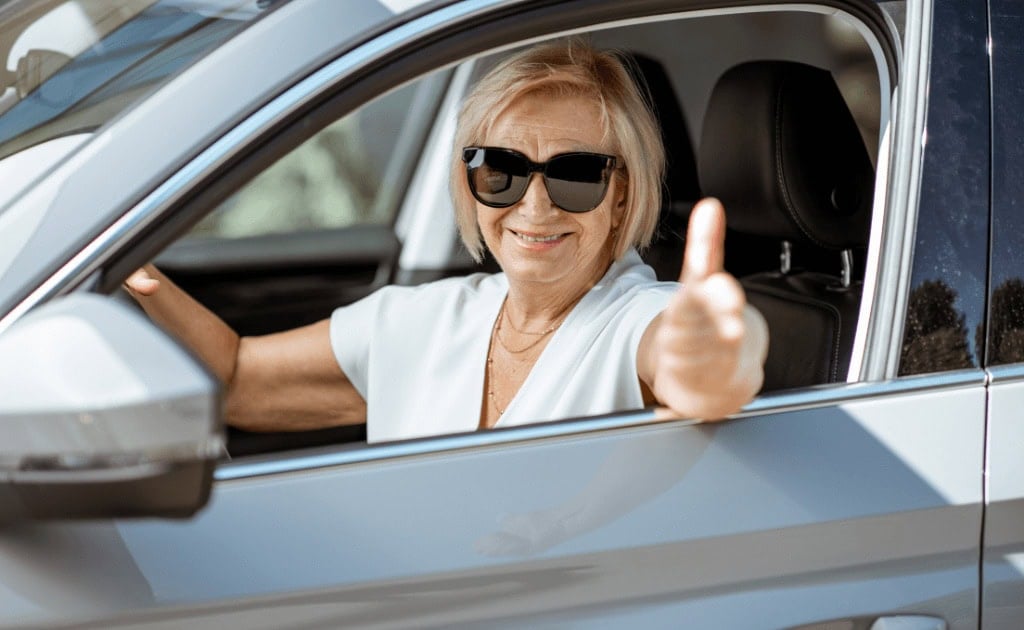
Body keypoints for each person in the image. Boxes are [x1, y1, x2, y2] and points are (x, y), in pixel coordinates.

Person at [125, 39, 769, 443]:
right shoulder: (421, 320)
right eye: (503, 171)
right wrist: (135, 271)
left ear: (623, 194)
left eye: (576, 174)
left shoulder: (645, 319)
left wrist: (707, 370)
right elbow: (237, 378)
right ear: (470, 180)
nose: (534, 204)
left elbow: (699, 368)